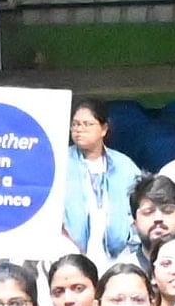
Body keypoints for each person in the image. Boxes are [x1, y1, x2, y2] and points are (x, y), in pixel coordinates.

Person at [56, 101, 141, 258]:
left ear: (104, 129)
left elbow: (140, 207)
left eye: (87, 124)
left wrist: (131, 240)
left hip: (120, 255)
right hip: (70, 253)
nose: (79, 129)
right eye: (75, 124)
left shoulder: (124, 166)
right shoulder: (58, 162)